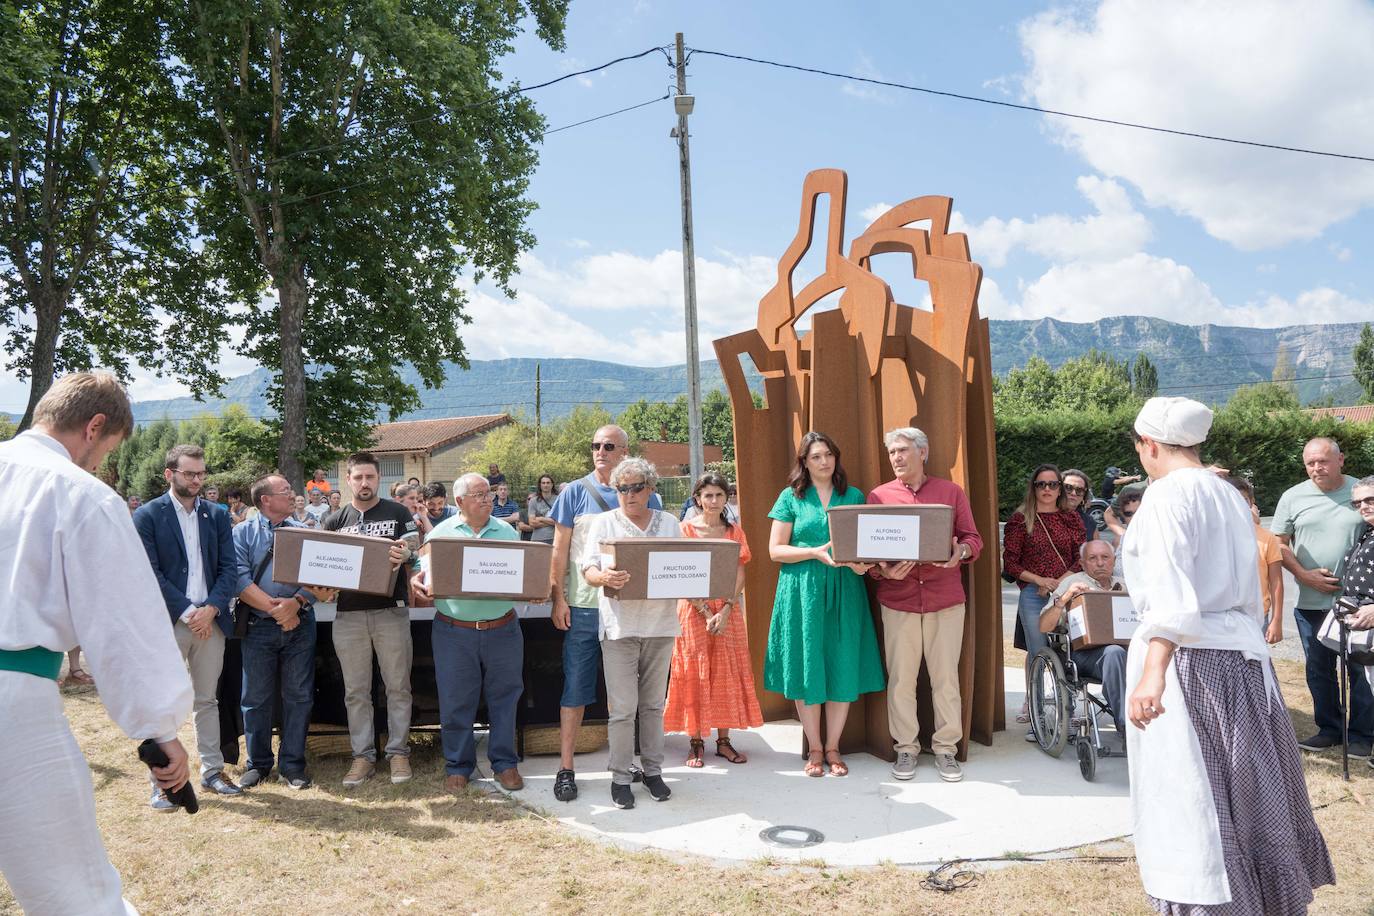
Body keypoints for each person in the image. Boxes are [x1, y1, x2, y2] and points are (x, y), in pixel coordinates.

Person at [1123, 396, 1333, 913]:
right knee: (1252, 790)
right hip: (1242, 658)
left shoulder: (1168, 498)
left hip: (1192, 663)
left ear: (1149, 445)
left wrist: (1152, 673)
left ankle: (1219, 902)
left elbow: (1172, 598)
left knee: (1197, 794)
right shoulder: (1227, 495)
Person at [0, 372, 193, 914]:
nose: (96, 464)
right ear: (95, 426)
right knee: (72, 889)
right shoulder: (79, 495)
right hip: (11, 699)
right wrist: (159, 729)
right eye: (104, 450)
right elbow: (122, 624)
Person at [547, 424, 663, 802]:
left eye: (609, 445)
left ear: (626, 450)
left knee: (627, 695)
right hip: (583, 607)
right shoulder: (573, 493)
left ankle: (632, 765)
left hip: (631, 611)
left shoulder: (649, 497)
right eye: (595, 444)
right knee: (576, 690)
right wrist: (557, 598)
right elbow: (559, 550)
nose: (600, 450)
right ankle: (566, 769)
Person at [766, 431, 885, 778]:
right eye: (816, 456)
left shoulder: (855, 495)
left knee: (842, 661)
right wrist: (814, 552)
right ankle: (815, 747)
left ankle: (834, 746)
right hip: (802, 590)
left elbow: (865, 544)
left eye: (829, 454)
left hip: (845, 587)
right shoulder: (791, 497)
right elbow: (776, 551)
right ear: (804, 461)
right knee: (807, 663)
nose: (824, 461)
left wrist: (864, 563)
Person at [867, 427, 982, 782]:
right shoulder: (879, 497)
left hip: (944, 600)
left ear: (923, 452)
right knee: (901, 679)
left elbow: (973, 540)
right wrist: (883, 571)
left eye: (902, 450)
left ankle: (946, 750)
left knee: (945, 679)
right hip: (898, 601)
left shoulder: (950, 492)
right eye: (891, 453)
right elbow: (868, 552)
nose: (896, 458)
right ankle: (905, 749)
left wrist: (958, 553)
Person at [133, 443, 241, 804]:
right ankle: (162, 783)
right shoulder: (148, 515)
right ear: (170, 474)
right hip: (170, 621)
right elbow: (150, 573)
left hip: (211, 622)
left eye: (201, 474)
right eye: (189, 473)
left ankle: (212, 771)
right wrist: (188, 612)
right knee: (163, 702)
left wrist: (210, 608)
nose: (197, 480)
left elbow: (229, 568)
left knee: (207, 699)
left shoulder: (217, 515)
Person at [414, 473, 528, 793]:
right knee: (455, 700)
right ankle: (458, 767)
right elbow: (420, 572)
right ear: (460, 501)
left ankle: (504, 764)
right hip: (454, 631)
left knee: (505, 699)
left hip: (503, 629)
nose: (487, 499)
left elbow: (521, 575)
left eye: (488, 493)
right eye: (478, 494)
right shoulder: (439, 534)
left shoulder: (507, 532)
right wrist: (417, 581)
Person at [581, 457, 681, 808]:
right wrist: (603, 578)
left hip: (661, 626)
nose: (628, 494)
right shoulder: (604, 523)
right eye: (621, 488)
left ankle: (653, 773)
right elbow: (588, 570)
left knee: (653, 706)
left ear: (651, 489)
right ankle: (621, 777)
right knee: (623, 709)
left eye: (636, 487)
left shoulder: (669, 523)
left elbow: (688, 567)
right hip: (619, 627)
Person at [322, 452, 420, 787]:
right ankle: (362, 757)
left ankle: (398, 753)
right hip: (348, 614)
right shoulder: (335, 520)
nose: (365, 483)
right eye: (358, 477)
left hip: (391, 611)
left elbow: (413, 543)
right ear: (347, 480)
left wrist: (406, 552)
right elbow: (325, 566)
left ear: (378, 479)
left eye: (370, 477)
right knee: (356, 691)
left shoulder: (397, 511)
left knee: (397, 687)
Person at [1270, 437, 1370, 757]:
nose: (1316, 468)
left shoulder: (1361, 492)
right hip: (1312, 602)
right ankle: (1329, 728)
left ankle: (1362, 735)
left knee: (1360, 668)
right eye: (1310, 463)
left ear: (1340, 459)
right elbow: (1279, 543)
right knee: (1318, 668)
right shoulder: (1292, 496)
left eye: (1323, 461)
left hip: (1357, 603)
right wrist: (1302, 573)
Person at [664, 472, 762, 767]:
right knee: (694, 669)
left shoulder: (735, 532)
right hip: (693, 610)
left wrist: (727, 608)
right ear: (697, 499)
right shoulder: (684, 530)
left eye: (720, 495)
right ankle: (695, 741)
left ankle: (723, 741)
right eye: (708, 495)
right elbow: (679, 573)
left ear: (726, 498)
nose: (714, 500)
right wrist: (706, 611)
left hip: (727, 609)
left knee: (726, 670)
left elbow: (740, 571)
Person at [233, 474, 322, 789]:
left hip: (300, 625)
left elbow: (318, 575)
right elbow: (239, 579)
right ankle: (257, 765)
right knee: (255, 698)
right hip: (258, 627)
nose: (292, 494)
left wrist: (296, 603)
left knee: (298, 696)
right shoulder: (241, 534)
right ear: (265, 500)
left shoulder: (305, 533)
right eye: (285, 491)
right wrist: (278, 611)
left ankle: (293, 766)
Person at [1002, 464, 1085, 737]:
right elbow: (1011, 563)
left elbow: (1080, 557)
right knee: (1038, 652)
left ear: (1060, 488)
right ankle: (1038, 713)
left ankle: (1068, 710)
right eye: (1042, 484)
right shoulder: (1020, 519)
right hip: (1034, 594)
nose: (1047, 489)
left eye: (1053, 484)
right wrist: (1041, 581)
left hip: (1067, 590)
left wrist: (1058, 583)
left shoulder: (1071, 519)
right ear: (1033, 487)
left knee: (1069, 651)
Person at [1038, 540, 1127, 743]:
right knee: (1114, 652)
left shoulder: (1126, 584)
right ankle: (1125, 724)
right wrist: (1064, 600)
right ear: (1083, 563)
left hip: (1126, 653)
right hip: (1085, 655)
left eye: (1105, 557)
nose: (1100, 563)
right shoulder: (1072, 582)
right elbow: (1044, 626)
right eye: (1093, 558)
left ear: (1113, 561)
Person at [1227, 476, 1285, 644]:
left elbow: (1276, 582)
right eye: (1232, 500)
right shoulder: (1215, 536)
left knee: (1256, 665)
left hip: (1257, 616)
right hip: (1223, 616)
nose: (1238, 505)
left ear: (1251, 502)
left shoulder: (1267, 538)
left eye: (1243, 500)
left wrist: (1277, 620)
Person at [1061, 468, 1097, 542]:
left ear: (1083, 496)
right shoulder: (1040, 518)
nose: (1073, 493)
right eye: (1068, 488)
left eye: (1079, 490)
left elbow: (1096, 550)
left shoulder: (1089, 523)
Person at [526, 474, 558, 545]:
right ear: (540, 485)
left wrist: (540, 518)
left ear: (552, 484)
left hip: (555, 537)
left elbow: (560, 521)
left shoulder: (559, 500)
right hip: (538, 538)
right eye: (543, 483)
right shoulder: (533, 501)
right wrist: (552, 522)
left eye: (548, 483)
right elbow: (532, 523)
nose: (545, 485)